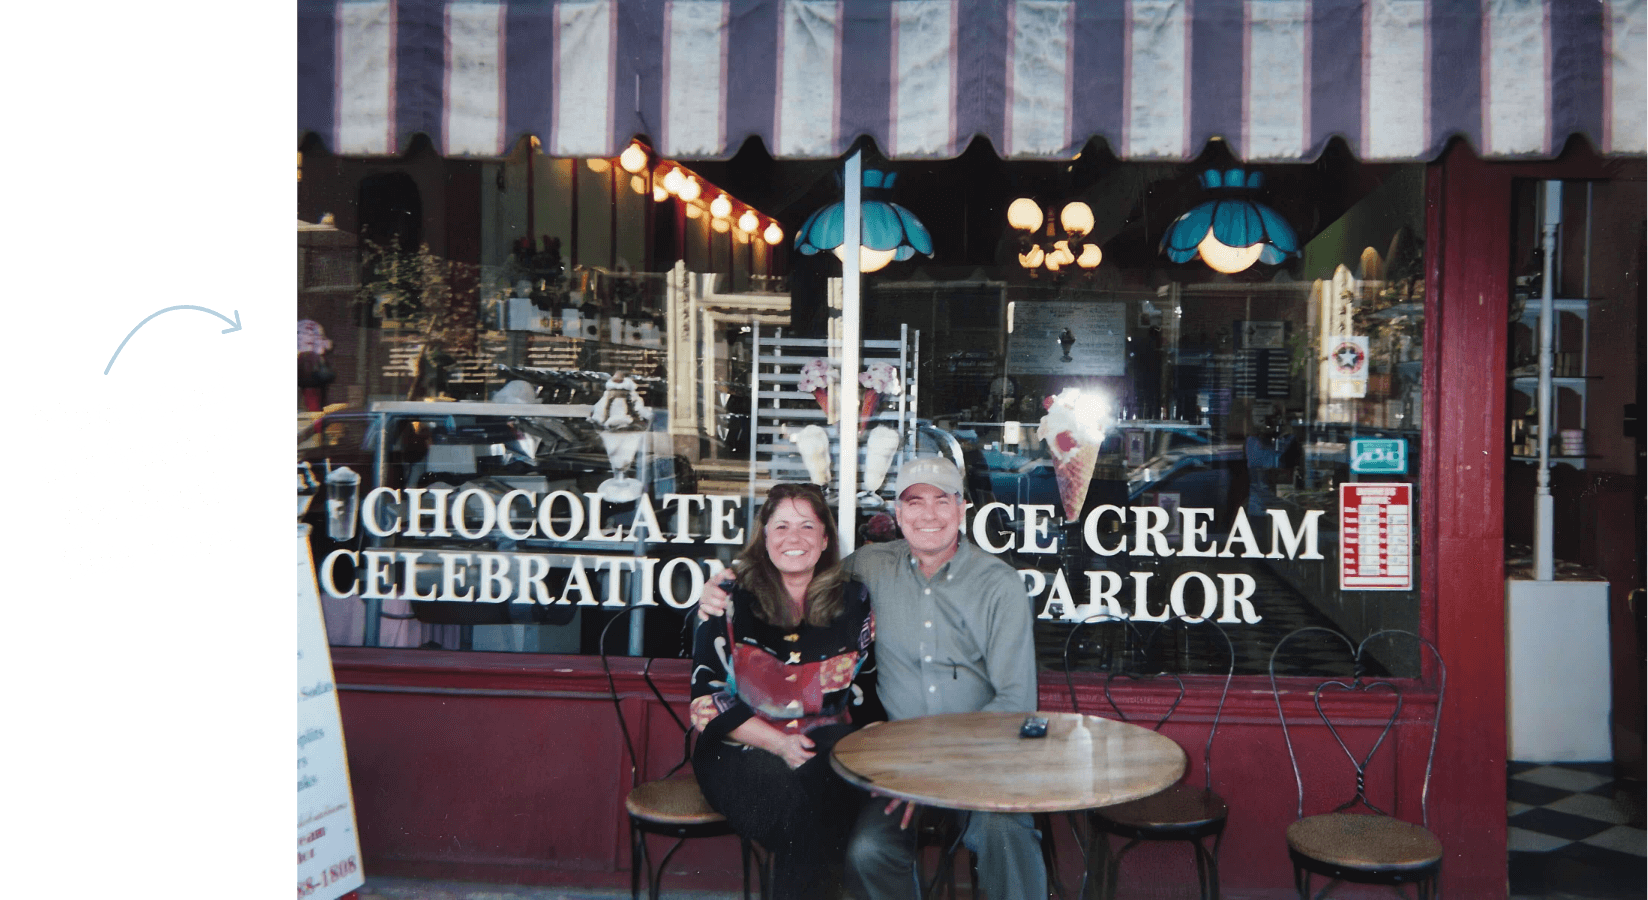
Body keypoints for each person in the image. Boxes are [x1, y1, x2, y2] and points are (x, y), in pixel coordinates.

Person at [698, 457, 1045, 900]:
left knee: (1005, 837)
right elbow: (795, 565)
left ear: (962, 509)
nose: (929, 515)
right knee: (867, 850)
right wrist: (723, 588)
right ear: (898, 515)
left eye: (942, 501)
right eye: (914, 503)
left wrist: (934, 765)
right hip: (893, 766)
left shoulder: (1000, 585)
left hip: (981, 760)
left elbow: (1015, 700)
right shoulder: (866, 571)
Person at [690, 482, 880, 900]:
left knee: (828, 793)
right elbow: (705, 704)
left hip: (824, 745)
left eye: (807, 527)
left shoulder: (854, 599)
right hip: (741, 748)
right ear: (764, 535)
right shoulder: (728, 596)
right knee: (806, 815)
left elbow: (865, 692)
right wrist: (779, 744)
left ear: (825, 538)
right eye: (781, 527)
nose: (794, 539)